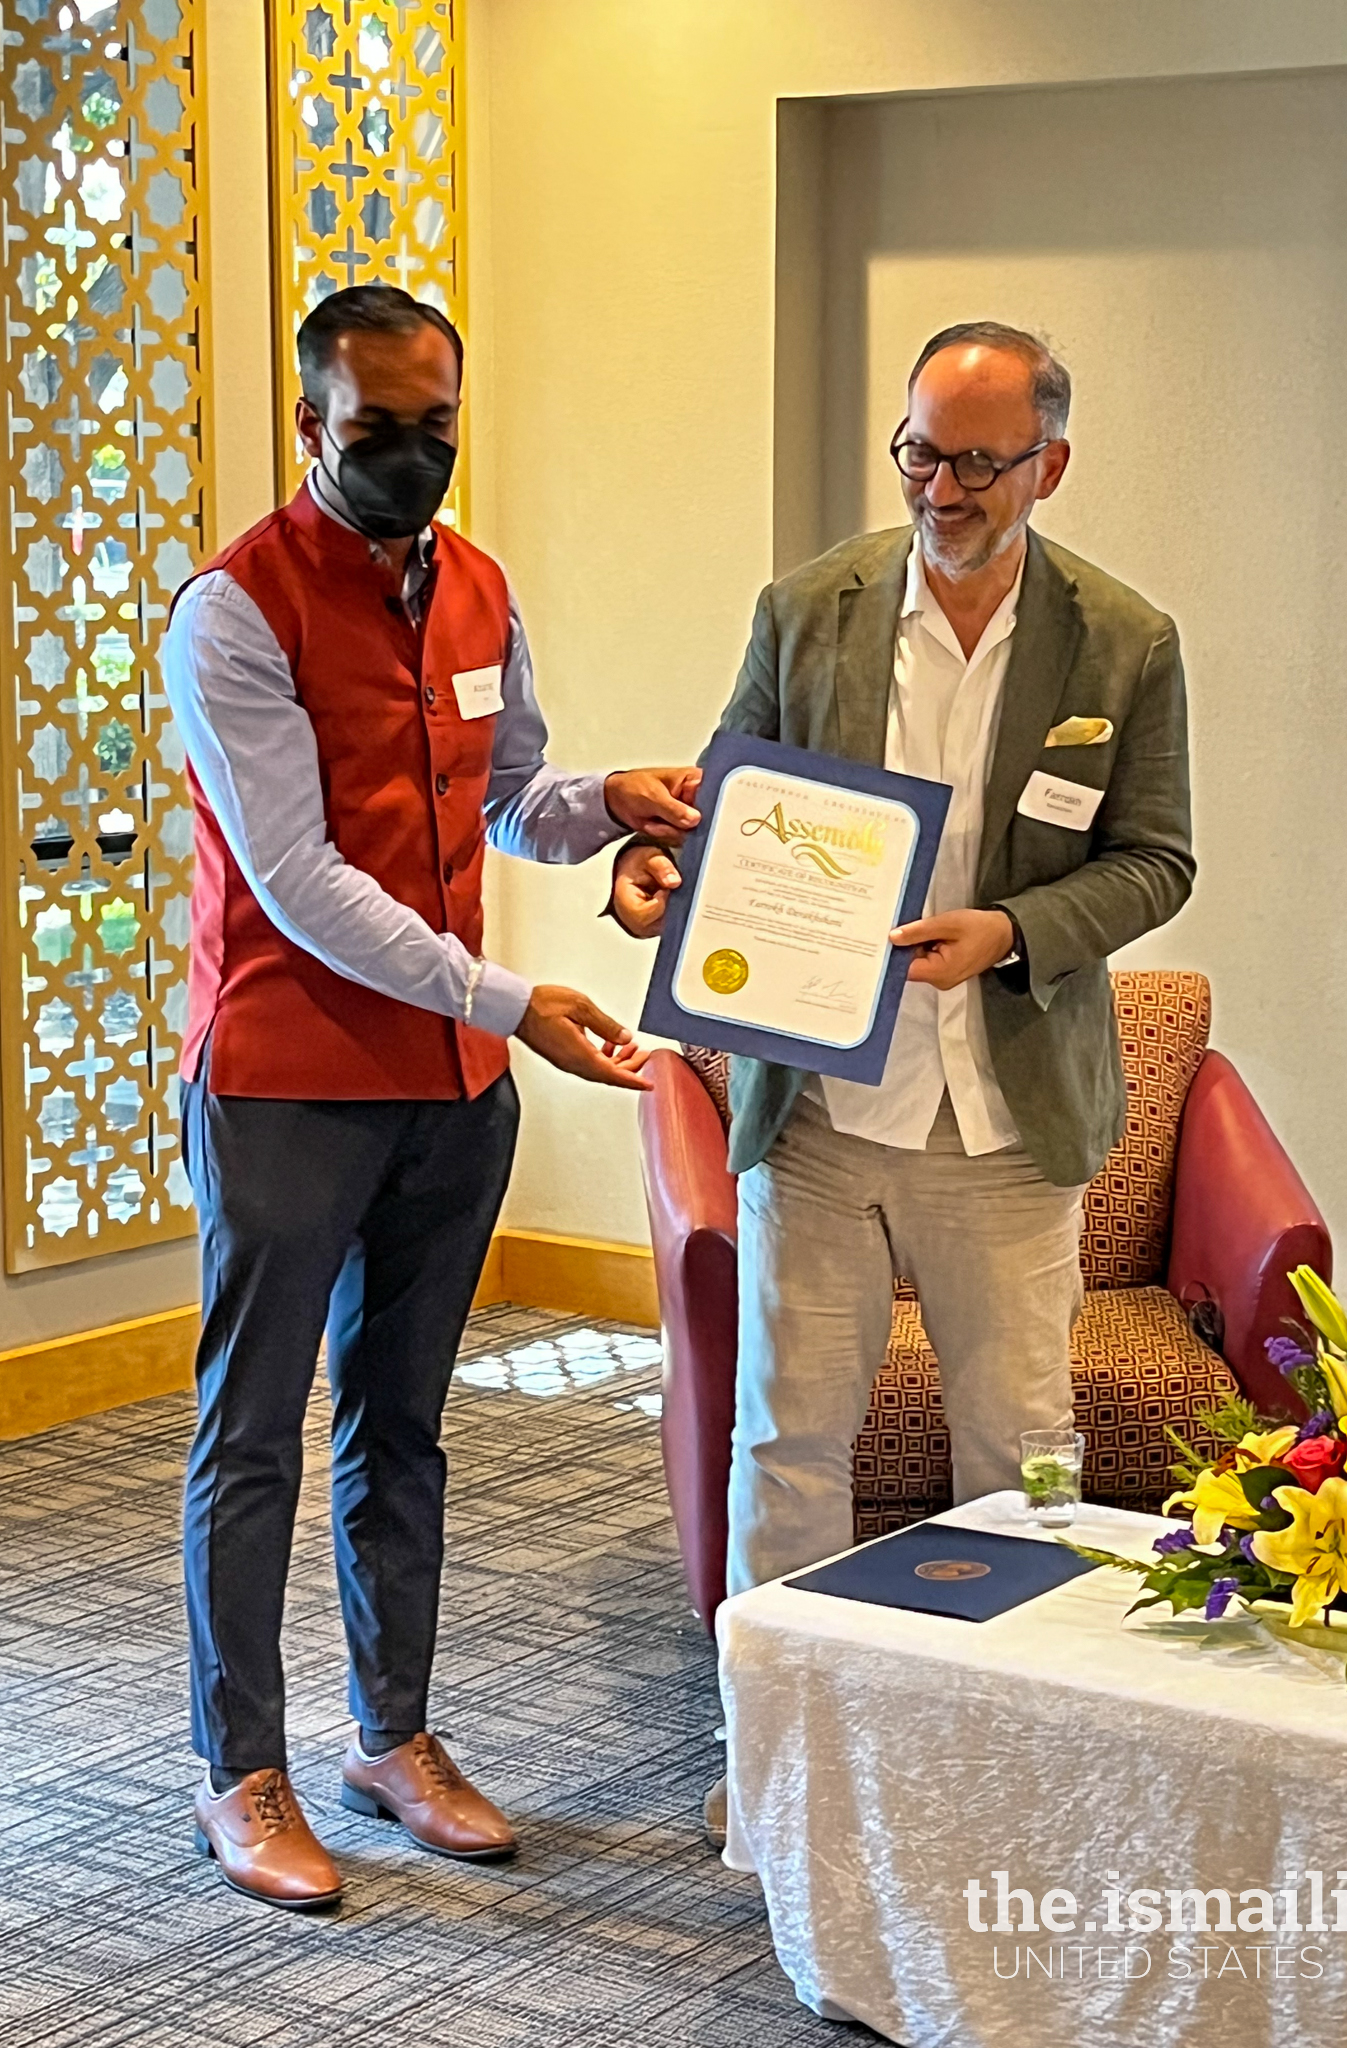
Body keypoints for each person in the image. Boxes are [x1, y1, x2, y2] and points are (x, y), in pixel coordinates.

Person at [611, 321, 1194, 1836]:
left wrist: (1012, 930)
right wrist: (663, 874)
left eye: (979, 460)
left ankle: (1007, 1774)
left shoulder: (1123, 640)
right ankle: (787, 1783)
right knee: (788, 1446)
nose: (942, 486)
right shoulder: (812, 607)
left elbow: (1158, 861)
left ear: (1047, 465)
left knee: (1020, 1453)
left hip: (1004, 1119)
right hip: (816, 1110)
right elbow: (720, 800)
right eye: (919, 451)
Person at [165, 284, 699, 1910]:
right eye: (377, 431)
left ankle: (389, 1737)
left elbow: (509, 804)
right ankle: (236, 1770)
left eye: (436, 430)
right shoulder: (233, 611)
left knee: (403, 1424)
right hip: (285, 1081)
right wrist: (513, 999)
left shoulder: (477, 586)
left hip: (449, 1091)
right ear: (311, 423)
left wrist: (609, 803)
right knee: (251, 1435)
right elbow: (302, 879)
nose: (412, 459)